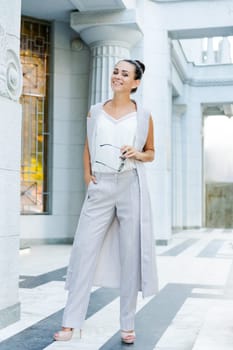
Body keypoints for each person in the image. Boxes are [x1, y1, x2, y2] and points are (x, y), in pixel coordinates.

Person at [53, 59, 158, 344]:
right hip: (100, 185)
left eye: (125, 74)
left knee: (130, 254)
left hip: (130, 185)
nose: (117, 76)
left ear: (135, 82)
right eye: (115, 71)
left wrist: (137, 153)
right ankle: (70, 322)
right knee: (84, 250)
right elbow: (88, 143)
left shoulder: (143, 114)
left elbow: (151, 153)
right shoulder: (96, 111)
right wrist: (88, 176)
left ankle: (127, 324)